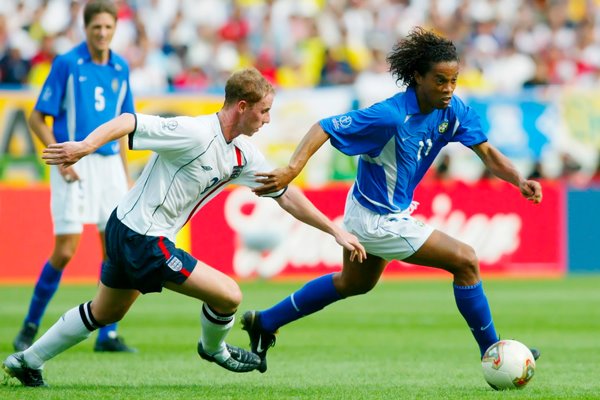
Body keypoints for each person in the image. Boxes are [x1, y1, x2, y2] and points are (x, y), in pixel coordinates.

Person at [1, 67, 366, 387]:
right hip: (142, 236)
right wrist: (85, 146)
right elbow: (130, 121)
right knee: (228, 295)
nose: (267, 120)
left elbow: (285, 195)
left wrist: (334, 231)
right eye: (264, 111)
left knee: (104, 312)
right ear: (242, 107)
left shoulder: (242, 152)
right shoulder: (194, 132)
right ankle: (215, 351)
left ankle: (26, 361)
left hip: (126, 225)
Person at [241, 27, 543, 373]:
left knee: (353, 283)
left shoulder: (453, 109)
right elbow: (324, 125)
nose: (448, 89)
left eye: (453, 80)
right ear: (417, 77)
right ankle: (493, 351)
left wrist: (519, 179)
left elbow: (487, 152)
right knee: (466, 261)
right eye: (440, 81)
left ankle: (265, 322)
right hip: (377, 219)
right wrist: (293, 168)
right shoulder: (390, 116)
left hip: (376, 209)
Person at [14, 0, 136, 354]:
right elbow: (38, 117)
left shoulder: (120, 67)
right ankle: (30, 325)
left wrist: (125, 176)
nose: (102, 33)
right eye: (96, 27)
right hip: (74, 165)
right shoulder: (67, 63)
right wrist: (61, 158)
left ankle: (107, 334)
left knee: (114, 251)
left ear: (115, 29)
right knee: (65, 250)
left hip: (110, 165)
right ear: (86, 28)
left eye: (108, 28)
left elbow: (123, 126)